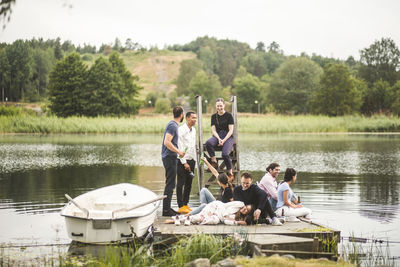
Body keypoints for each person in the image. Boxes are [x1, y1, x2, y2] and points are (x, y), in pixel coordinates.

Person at [161, 106, 185, 216]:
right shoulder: (172, 125)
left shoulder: (173, 125)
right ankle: (166, 210)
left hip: (170, 157)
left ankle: (167, 208)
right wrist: (179, 152)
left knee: (171, 183)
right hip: (169, 157)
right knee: (170, 184)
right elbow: (167, 142)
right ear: (181, 115)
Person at [205, 98, 234, 176]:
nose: (219, 108)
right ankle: (214, 162)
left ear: (224, 105)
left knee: (225, 154)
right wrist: (218, 139)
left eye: (221, 106)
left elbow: (231, 130)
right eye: (218, 106)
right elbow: (213, 130)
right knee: (208, 143)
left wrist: (223, 140)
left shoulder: (229, 115)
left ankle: (230, 171)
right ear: (216, 106)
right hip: (217, 136)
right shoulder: (214, 116)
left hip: (228, 137)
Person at [166, 201, 253, 226]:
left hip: (217, 217)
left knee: (214, 221)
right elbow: (223, 205)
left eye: (247, 211)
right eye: (245, 207)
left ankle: (193, 222)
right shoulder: (239, 204)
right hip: (216, 206)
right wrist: (225, 215)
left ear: (247, 214)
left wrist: (237, 222)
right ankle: (175, 219)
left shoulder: (237, 218)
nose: (244, 209)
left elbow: (226, 222)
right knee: (201, 216)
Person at [176, 111, 197, 214]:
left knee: (189, 183)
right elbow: (179, 147)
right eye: (193, 118)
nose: (195, 120)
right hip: (182, 160)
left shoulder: (194, 130)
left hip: (192, 159)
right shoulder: (181, 130)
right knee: (180, 183)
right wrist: (184, 162)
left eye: (196, 118)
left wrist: (194, 160)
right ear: (187, 118)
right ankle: (180, 206)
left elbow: (193, 146)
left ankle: (185, 204)